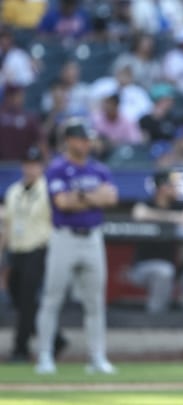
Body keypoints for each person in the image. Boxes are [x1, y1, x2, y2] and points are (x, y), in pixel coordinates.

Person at [35, 120, 119, 375]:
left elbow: (112, 198)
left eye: (88, 139)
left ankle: (97, 357)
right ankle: (45, 357)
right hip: (64, 238)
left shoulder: (99, 168)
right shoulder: (57, 168)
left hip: (93, 238)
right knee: (52, 299)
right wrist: (94, 197)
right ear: (69, 140)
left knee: (95, 303)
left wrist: (81, 196)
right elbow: (63, 203)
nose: (86, 143)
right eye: (81, 139)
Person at [0, 147, 67, 363]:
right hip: (16, 251)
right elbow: (7, 225)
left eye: (35, 164)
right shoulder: (13, 192)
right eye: (27, 164)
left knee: (28, 300)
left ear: (41, 166)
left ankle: (20, 349)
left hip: (39, 250)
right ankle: (56, 339)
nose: (30, 168)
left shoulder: (49, 190)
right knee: (18, 298)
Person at [130, 170, 183, 314]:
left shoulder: (180, 206)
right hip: (142, 268)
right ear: (162, 188)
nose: (177, 189)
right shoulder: (146, 204)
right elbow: (138, 214)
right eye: (173, 185)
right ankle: (155, 315)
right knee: (164, 270)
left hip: (175, 268)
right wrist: (176, 218)